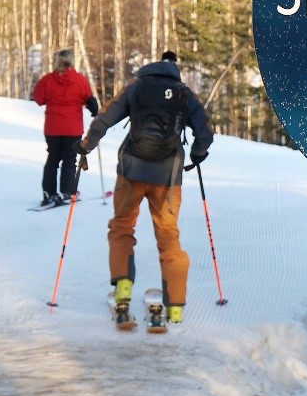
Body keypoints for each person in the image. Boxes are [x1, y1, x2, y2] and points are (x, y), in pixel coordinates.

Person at [76, 50, 213, 326]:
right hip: (168, 177)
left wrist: (85, 147)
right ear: (175, 69)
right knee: (168, 234)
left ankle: (123, 288)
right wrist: (198, 154)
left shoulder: (136, 88)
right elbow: (205, 133)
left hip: (130, 171)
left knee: (122, 226)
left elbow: (105, 117)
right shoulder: (184, 93)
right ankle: (174, 307)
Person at [32, 48, 99, 207]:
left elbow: (38, 99)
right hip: (72, 128)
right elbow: (90, 101)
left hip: (52, 127)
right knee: (69, 160)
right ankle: (67, 192)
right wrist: (94, 109)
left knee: (52, 159)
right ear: (72, 60)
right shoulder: (79, 80)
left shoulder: (48, 79)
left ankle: (49, 193)